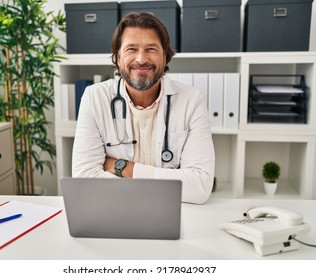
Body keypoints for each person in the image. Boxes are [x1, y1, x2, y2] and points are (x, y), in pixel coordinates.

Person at [71, 12, 215, 204]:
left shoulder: (192, 100)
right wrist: (166, 180)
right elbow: (84, 180)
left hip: (171, 210)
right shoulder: (94, 97)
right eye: (131, 49)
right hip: (116, 208)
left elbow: (200, 186)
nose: (141, 59)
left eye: (151, 49)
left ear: (165, 56)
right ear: (117, 56)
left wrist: (124, 168)